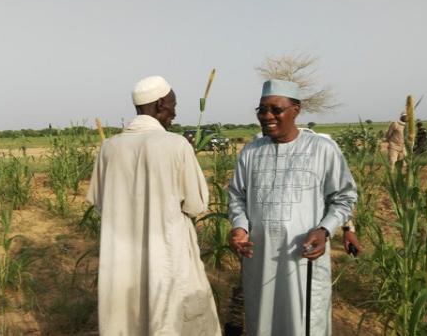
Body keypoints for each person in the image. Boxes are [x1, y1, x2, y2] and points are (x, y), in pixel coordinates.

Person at [87, 76, 220, 336]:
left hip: (122, 257)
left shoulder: (109, 148)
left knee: (128, 319)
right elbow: (195, 205)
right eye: (173, 104)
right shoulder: (176, 144)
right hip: (166, 254)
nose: (175, 112)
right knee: (169, 318)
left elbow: (102, 204)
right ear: (160, 104)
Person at [228, 79, 358, 336]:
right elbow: (237, 197)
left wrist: (325, 230)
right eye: (262, 110)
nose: (267, 116)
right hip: (259, 259)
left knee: (303, 324)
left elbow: (343, 197)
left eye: (276, 110)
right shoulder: (250, 152)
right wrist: (239, 228)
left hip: (302, 260)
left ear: (296, 110)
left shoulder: (322, 149)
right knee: (262, 322)